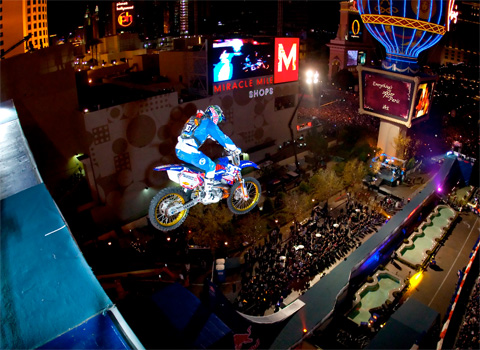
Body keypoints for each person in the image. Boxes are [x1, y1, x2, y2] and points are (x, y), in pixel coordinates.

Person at [175, 105, 241, 203]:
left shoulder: (197, 118)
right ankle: (207, 195)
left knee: (201, 169)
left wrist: (222, 144)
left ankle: (196, 189)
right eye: (218, 119)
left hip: (179, 149)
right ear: (215, 114)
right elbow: (222, 138)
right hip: (189, 151)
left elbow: (211, 136)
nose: (217, 122)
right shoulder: (208, 122)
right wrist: (234, 149)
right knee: (211, 166)